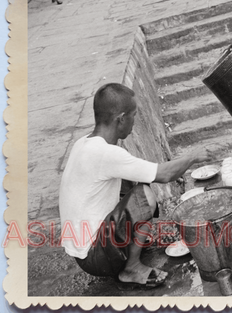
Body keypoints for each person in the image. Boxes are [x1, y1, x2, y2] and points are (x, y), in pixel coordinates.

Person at [59, 83, 213, 288]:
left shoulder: (84, 143)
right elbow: (164, 174)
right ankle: (131, 269)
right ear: (121, 119)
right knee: (145, 196)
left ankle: (127, 247)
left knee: (133, 180)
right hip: (94, 256)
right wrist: (192, 156)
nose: (134, 120)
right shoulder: (107, 154)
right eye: (133, 115)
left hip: (82, 249)